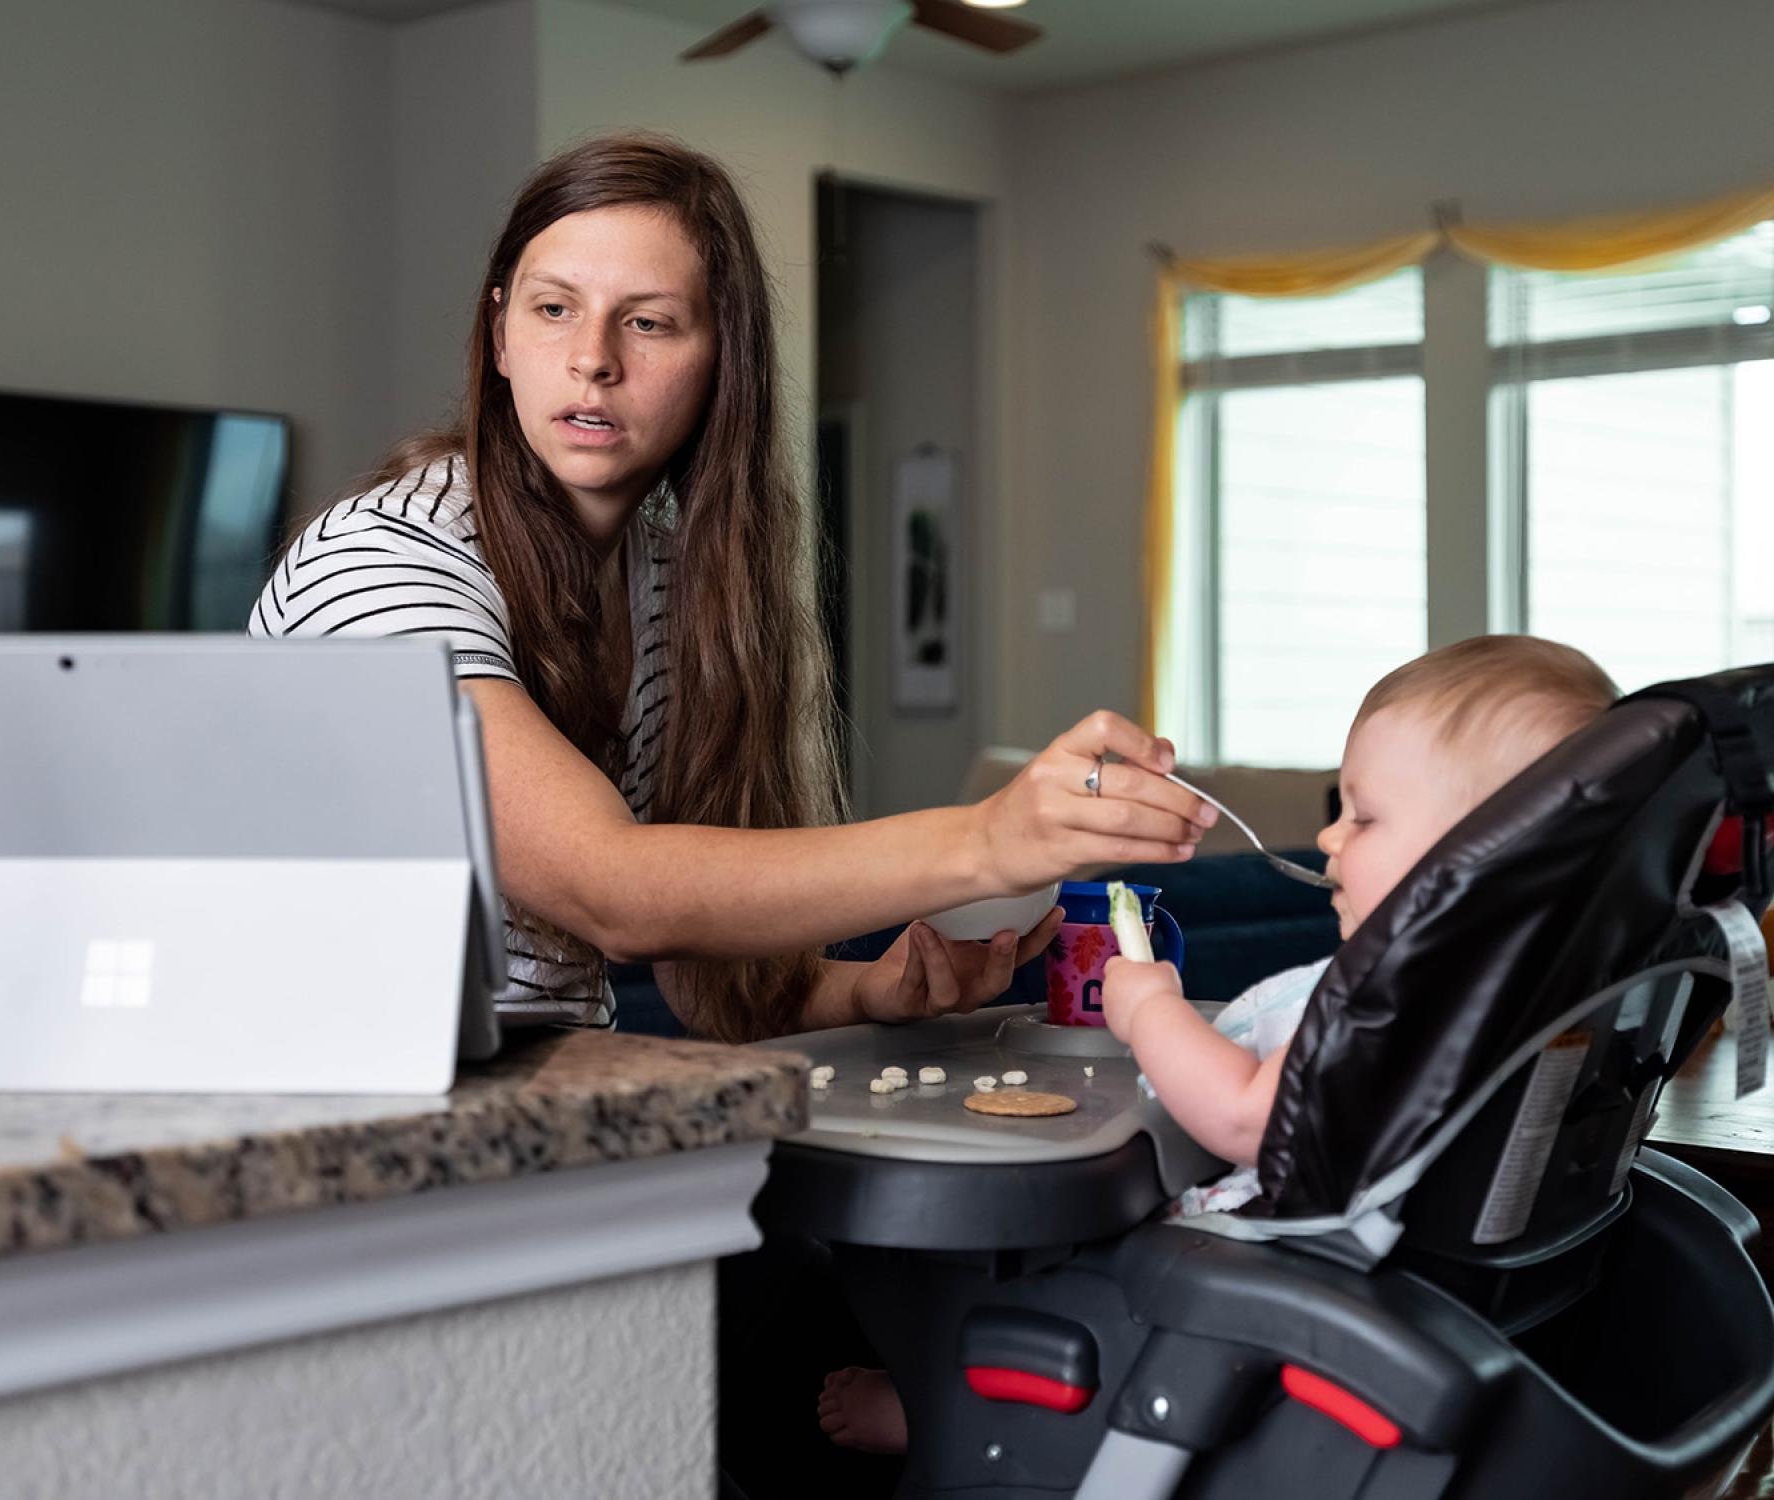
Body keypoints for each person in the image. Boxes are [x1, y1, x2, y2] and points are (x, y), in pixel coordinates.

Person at [249, 132, 1213, 1043]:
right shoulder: (385, 562)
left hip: (523, 1105)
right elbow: (613, 892)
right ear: (499, 336)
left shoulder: (664, 585)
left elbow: (710, 979)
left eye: (649, 322)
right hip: (310, 1118)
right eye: (553, 309)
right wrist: (989, 841)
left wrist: (872, 990)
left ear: (722, 365)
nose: (593, 358)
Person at [817, 634, 1620, 1455]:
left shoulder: (1403, 1006)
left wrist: (1151, 1011)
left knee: (1030, 1253)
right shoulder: (1542, 995)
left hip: (1241, 1311)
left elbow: (1248, 1118)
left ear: (1486, 860)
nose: (1332, 841)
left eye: (1364, 817)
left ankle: (945, 1410)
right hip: (1406, 1299)